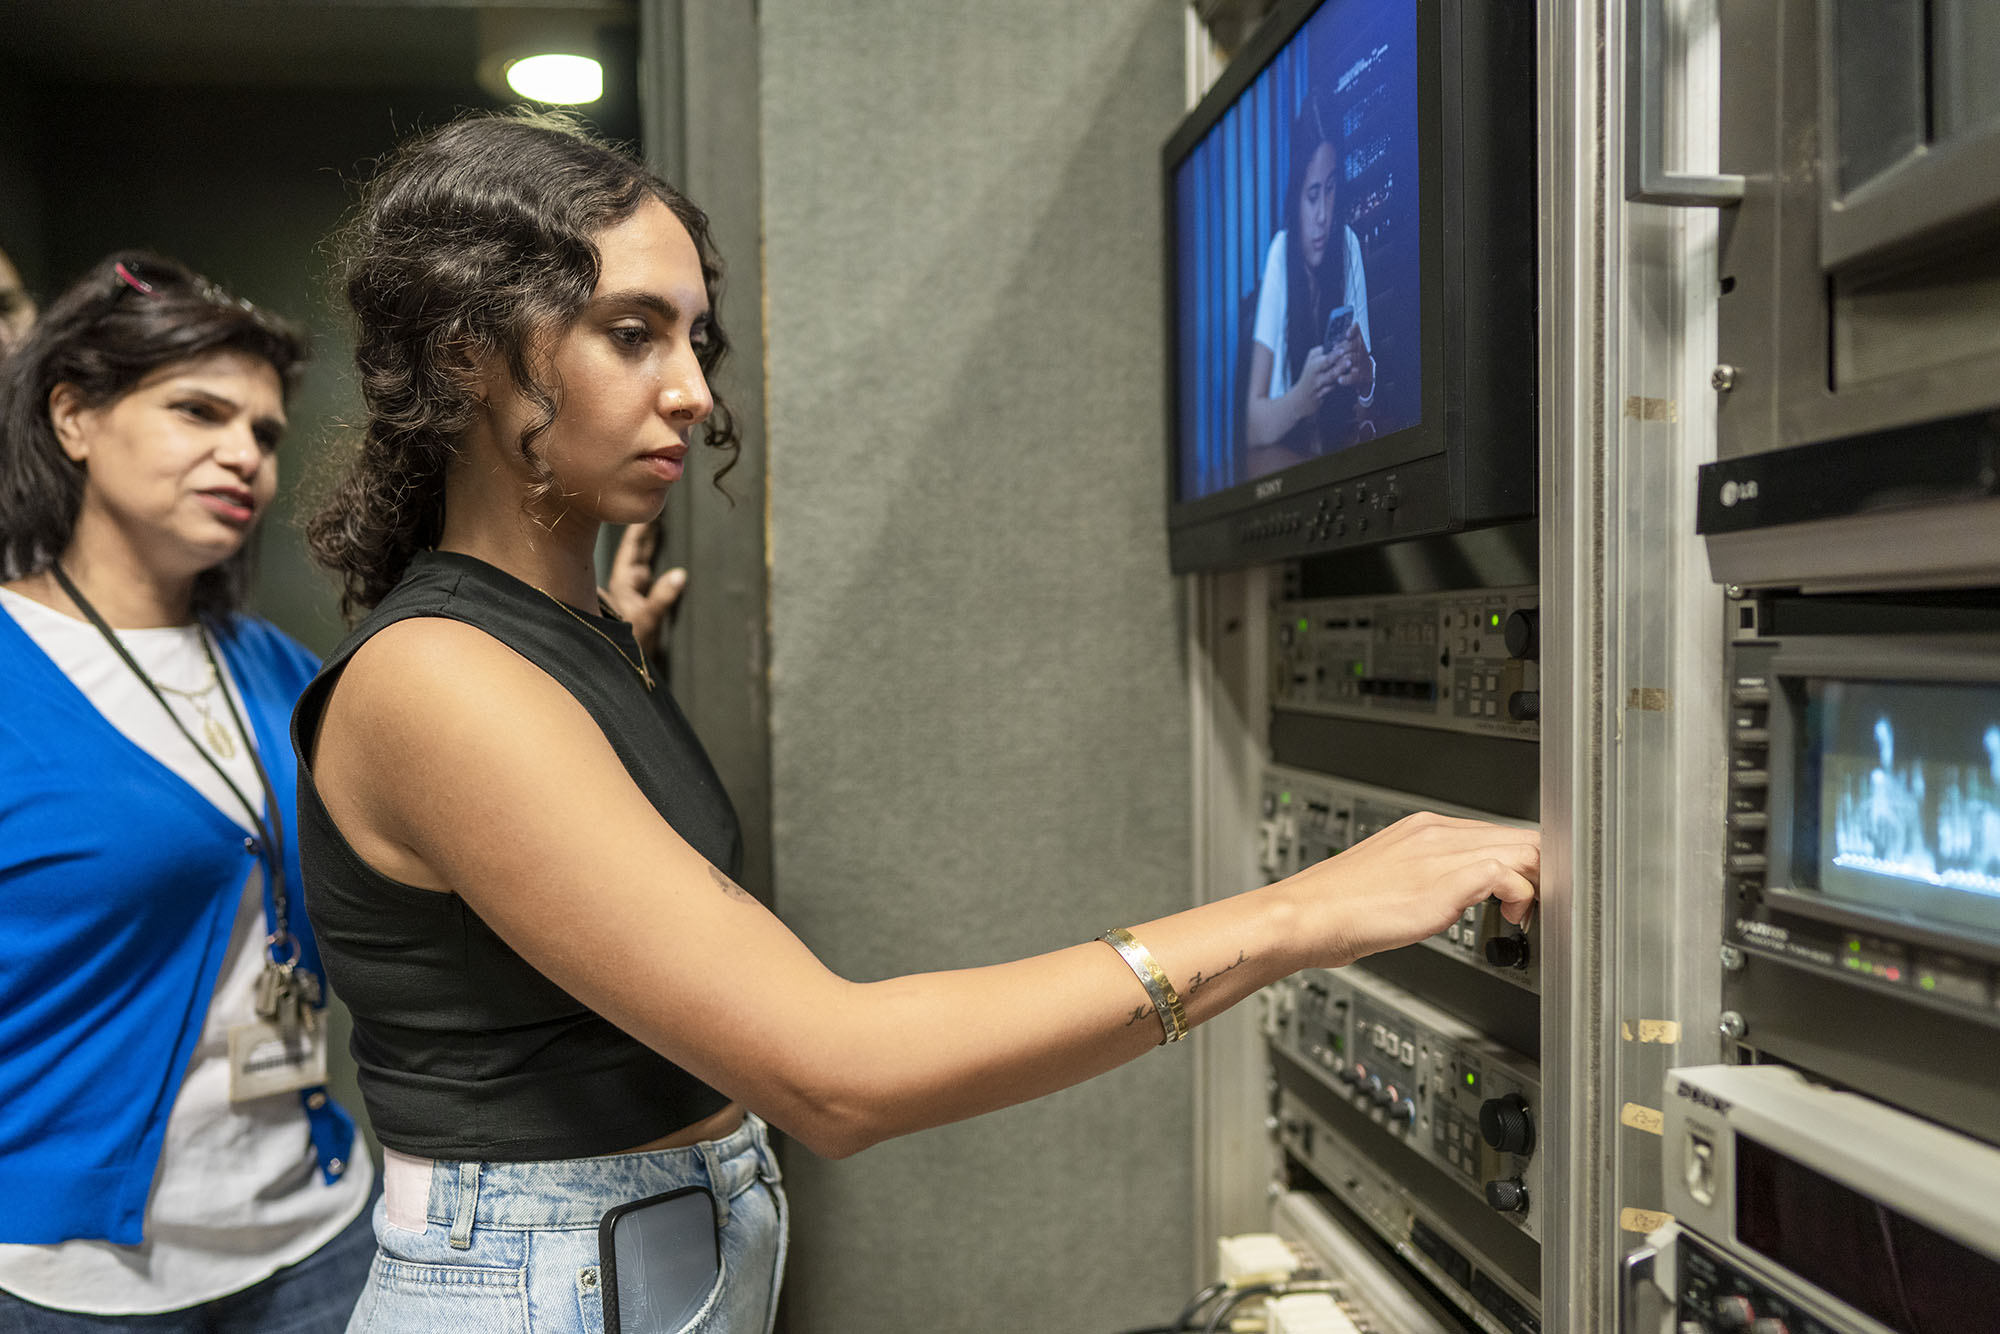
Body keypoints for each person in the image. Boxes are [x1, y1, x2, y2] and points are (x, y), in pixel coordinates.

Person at [294, 111, 1538, 1334]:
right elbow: (835, 1070)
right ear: (466, 348)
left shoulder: (550, 638)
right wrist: (1293, 914)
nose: (693, 393)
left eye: (697, 340)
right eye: (633, 334)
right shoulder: (439, 680)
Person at [0, 252, 376, 1331]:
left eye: (263, 431)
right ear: (74, 415)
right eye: (198, 411)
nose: (243, 454)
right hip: (65, 1277)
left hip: (314, 1235)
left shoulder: (277, 667)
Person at [1244, 94, 1376, 468]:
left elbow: (1367, 416)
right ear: (1295, 199)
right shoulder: (1280, 253)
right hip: (1286, 464)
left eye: (1331, 189)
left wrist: (1366, 379)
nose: (1322, 215)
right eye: (1312, 195)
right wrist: (1300, 398)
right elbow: (1253, 426)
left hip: (1339, 460)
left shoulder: (1347, 243)